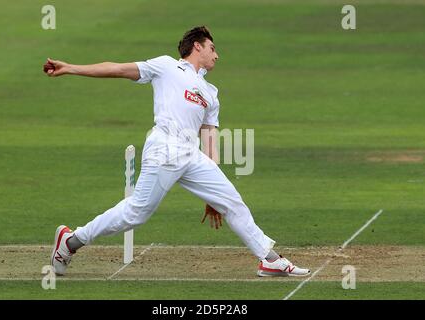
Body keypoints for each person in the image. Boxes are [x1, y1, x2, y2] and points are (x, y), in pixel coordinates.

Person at [44, 26, 310, 278]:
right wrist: (71, 68)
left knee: (230, 200)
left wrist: (212, 195)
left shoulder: (211, 92)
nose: (217, 55)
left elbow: (209, 137)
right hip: (165, 146)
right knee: (137, 212)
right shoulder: (166, 66)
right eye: (212, 48)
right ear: (197, 46)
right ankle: (71, 240)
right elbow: (117, 69)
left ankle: (270, 259)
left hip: (191, 155)